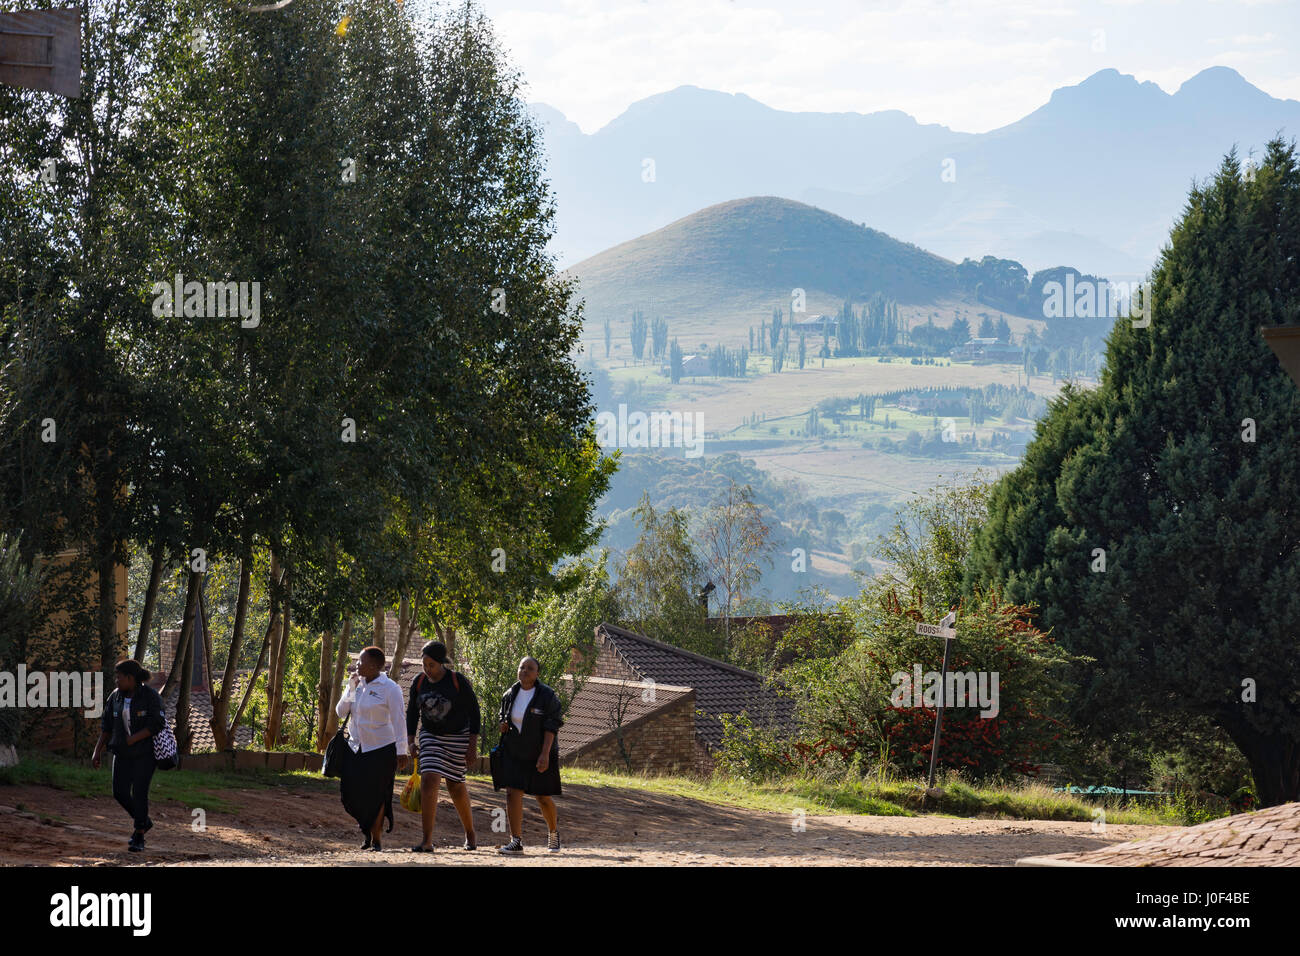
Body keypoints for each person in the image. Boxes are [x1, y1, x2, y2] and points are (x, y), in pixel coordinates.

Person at [406, 641, 480, 852]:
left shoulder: (457, 681)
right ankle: (427, 840)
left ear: (441, 663)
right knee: (429, 779)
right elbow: (412, 713)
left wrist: (471, 746)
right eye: (424, 664)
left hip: (458, 737)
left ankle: (470, 832)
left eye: (431, 665)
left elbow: (474, 714)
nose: (427, 669)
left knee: (455, 786)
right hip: (430, 735)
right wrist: (411, 741)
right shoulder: (419, 682)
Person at [335, 646, 408, 852]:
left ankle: (375, 839)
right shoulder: (355, 684)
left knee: (376, 795)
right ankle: (366, 828)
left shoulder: (390, 688)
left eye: (361, 662)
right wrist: (350, 687)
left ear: (375, 666)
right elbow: (340, 712)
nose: (357, 666)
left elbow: (399, 720)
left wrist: (401, 750)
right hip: (355, 747)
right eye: (357, 662)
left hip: (381, 749)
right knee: (349, 794)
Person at [91, 660, 166, 852]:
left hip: (145, 754)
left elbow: (157, 723)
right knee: (120, 792)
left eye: (119, 677)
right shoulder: (115, 697)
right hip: (122, 753)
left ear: (130, 678)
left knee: (139, 793)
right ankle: (144, 821)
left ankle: (139, 835)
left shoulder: (150, 696)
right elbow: (106, 727)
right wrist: (97, 751)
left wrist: (134, 739)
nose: (116, 680)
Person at [495, 656, 563, 854]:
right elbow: (503, 715)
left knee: (542, 797)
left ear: (537, 673)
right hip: (514, 751)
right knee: (512, 793)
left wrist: (545, 754)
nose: (525, 670)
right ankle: (515, 841)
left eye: (530, 668)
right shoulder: (510, 694)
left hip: (540, 752)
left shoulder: (547, 696)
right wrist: (503, 724)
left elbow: (552, 726)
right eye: (522, 667)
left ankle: (553, 833)